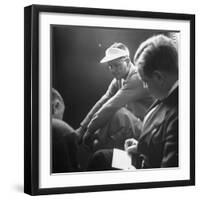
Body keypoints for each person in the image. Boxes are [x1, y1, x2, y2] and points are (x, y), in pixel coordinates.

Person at [87, 34, 178, 170]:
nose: (145, 87)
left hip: (141, 167)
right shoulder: (165, 99)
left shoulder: (177, 116)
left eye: (146, 82)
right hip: (139, 154)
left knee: (101, 161)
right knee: (100, 158)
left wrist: (134, 172)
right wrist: (139, 147)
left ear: (159, 77)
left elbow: (169, 177)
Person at [77, 43, 154, 151]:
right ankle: (96, 144)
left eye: (117, 65)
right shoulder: (118, 80)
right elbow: (102, 103)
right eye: (110, 66)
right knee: (101, 143)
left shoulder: (137, 78)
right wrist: (82, 127)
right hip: (132, 127)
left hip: (149, 132)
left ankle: (95, 142)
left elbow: (110, 107)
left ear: (127, 61)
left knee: (118, 113)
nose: (113, 70)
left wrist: (89, 130)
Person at [52, 88, 79, 173]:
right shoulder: (60, 128)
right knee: (101, 157)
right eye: (62, 114)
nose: (61, 119)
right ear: (56, 105)